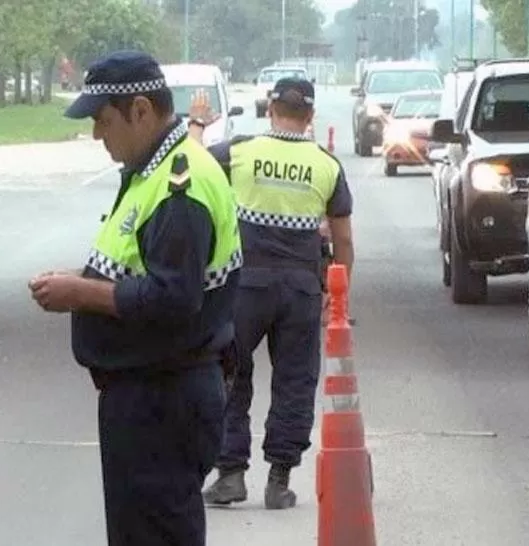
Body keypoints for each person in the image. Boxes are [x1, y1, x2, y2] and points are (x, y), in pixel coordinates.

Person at [28, 50, 243, 546]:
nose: (97, 135)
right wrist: (82, 280)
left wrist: (79, 292)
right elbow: (137, 265)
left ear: (141, 111)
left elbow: (174, 297)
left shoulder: (178, 188)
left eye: (103, 121)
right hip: (150, 396)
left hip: (163, 400)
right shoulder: (153, 171)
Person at [187, 78, 355, 509]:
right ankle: (279, 480)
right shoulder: (326, 165)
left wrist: (197, 125)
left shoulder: (240, 152)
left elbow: (189, 168)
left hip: (244, 286)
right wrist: (337, 294)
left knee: (230, 374)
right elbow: (344, 241)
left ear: (270, 109)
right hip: (300, 290)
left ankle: (230, 475)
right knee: (295, 381)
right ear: (311, 117)